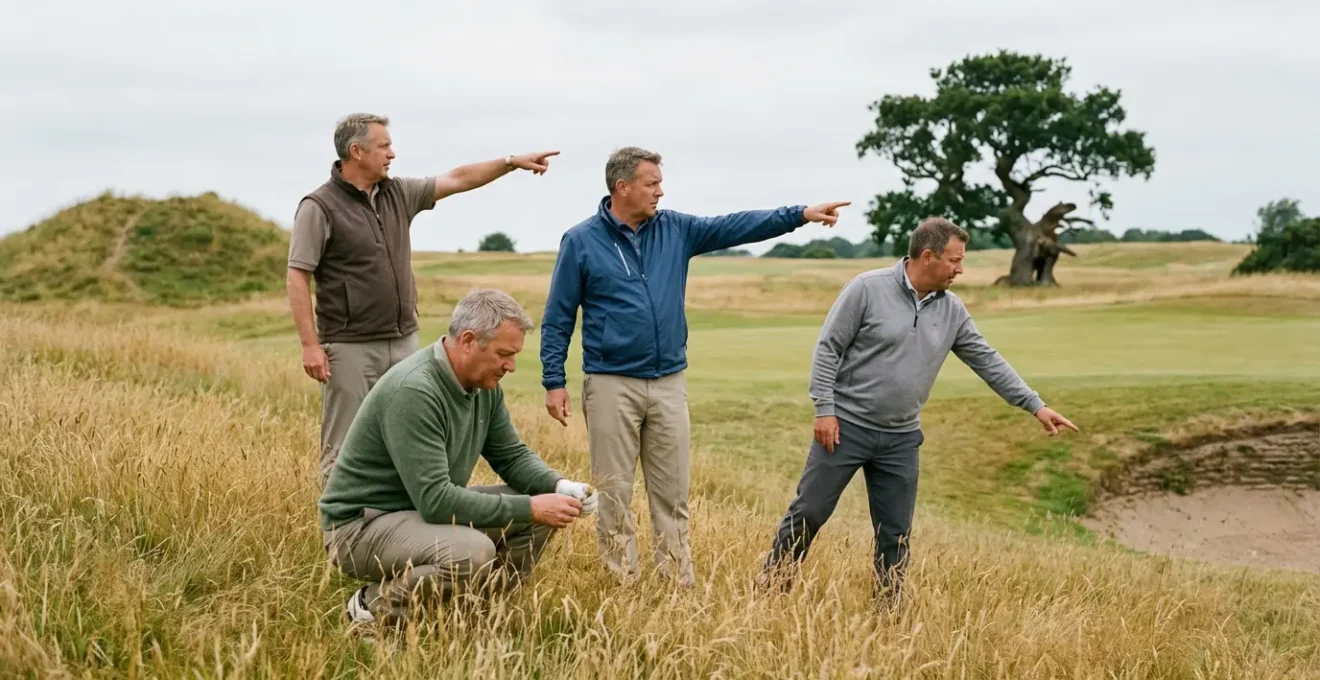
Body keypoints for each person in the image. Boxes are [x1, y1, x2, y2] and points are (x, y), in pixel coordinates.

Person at [538, 146, 851, 586]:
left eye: (660, 183)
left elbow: (736, 226)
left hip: (669, 382)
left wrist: (799, 215)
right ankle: (622, 583)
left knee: (672, 495)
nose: (660, 192)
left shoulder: (676, 229)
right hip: (610, 383)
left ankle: (676, 585)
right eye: (652, 184)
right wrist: (554, 380)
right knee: (614, 493)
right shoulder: (581, 241)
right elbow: (558, 317)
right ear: (622, 187)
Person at [758, 217, 1079, 606]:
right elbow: (829, 348)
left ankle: (889, 611)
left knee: (895, 533)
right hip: (845, 428)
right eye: (955, 260)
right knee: (809, 511)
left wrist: (1035, 405)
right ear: (928, 256)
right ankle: (771, 590)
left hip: (901, 438)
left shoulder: (952, 309)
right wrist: (825, 409)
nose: (960, 269)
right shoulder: (866, 289)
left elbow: (986, 360)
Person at [286, 112, 560, 486]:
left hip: (403, 341)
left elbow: (457, 179)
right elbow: (297, 275)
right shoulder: (319, 206)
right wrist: (310, 345)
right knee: (344, 447)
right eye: (383, 146)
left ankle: (401, 518)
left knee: (407, 436)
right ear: (357, 151)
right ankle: (340, 521)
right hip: (349, 347)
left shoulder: (399, 193)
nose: (392, 154)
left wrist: (510, 162)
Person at [319, 288, 598, 629]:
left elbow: (511, 456)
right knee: (473, 550)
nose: (511, 366)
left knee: (540, 508)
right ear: (468, 340)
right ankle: (371, 608)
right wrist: (532, 507)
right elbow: (436, 501)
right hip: (361, 529)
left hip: (414, 516)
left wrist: (559, 486)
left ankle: (479, 615)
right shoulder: (415, 390)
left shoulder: (483, 386)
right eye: (503, 354)